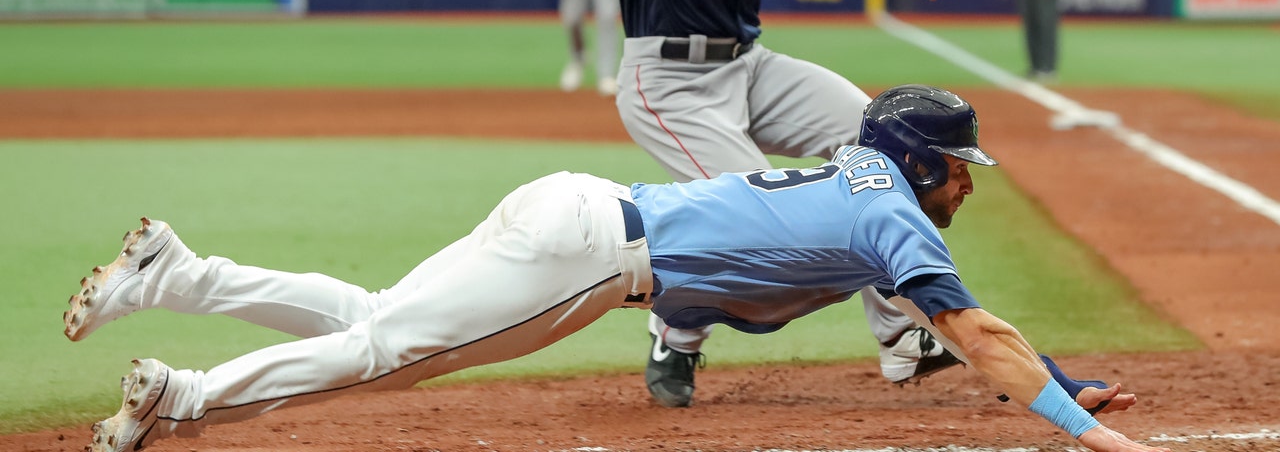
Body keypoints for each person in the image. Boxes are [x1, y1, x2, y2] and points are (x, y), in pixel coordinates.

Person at [65, 84, 1169, 452]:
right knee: (389, 354)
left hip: (571, 204)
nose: (968, 186)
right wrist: (1086, 430)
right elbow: (972, 335)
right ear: (923, 164)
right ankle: (184, 400)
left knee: (380, 313)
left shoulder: (858, 184)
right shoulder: (901, 226)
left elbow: (963, 331)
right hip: (597, 259)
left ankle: (179, 274)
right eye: (960, 169)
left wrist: (1060, 377)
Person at [603, 0, 962, 407]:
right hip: (672, 80)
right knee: (762, 221)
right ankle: (675, 327)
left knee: (880, 142)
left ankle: (900, 340)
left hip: (749, 62)